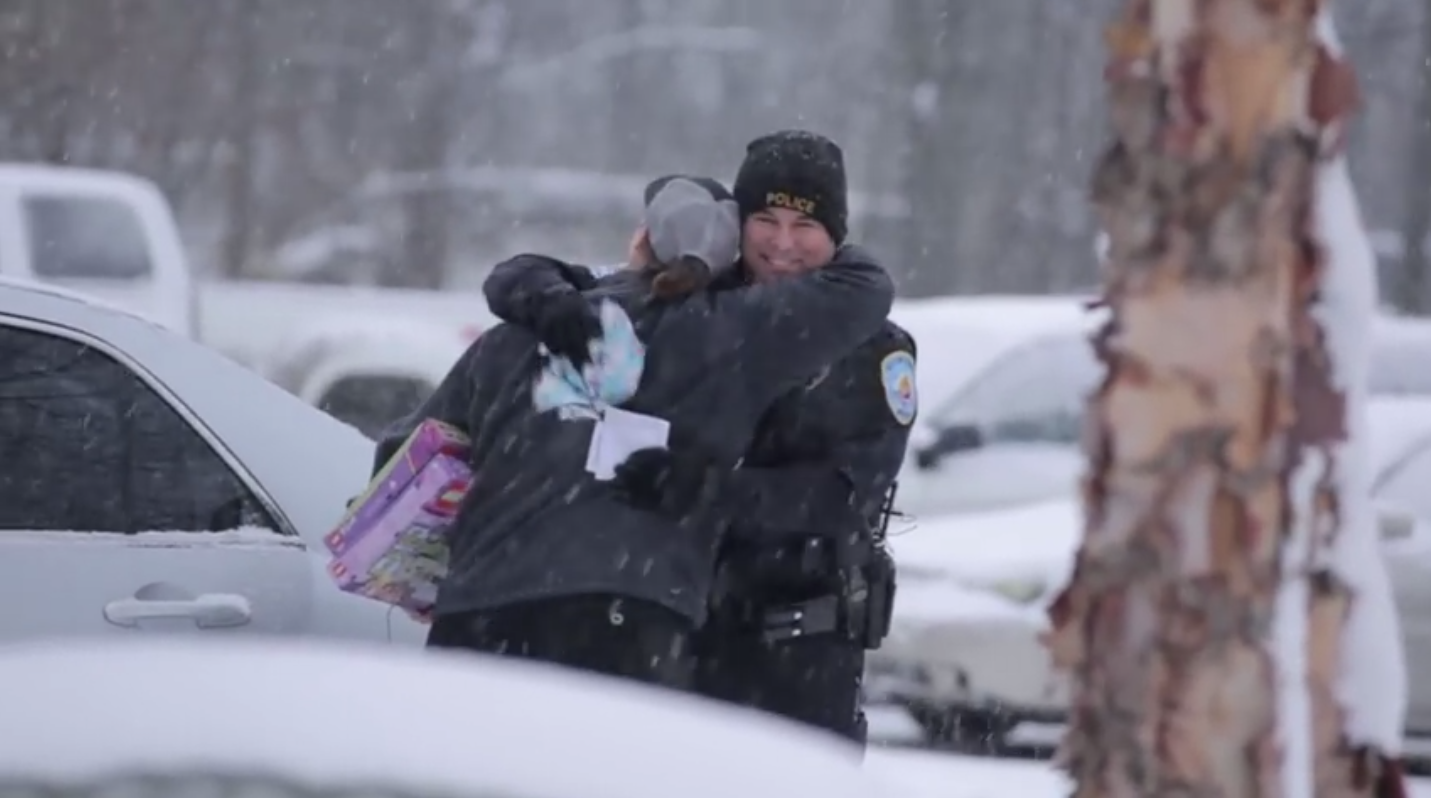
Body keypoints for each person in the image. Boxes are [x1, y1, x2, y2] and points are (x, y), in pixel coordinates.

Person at [373, 174, 895, 691]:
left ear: (641, 238)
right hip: (630, 619)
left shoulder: (515, 334)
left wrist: (534, 281)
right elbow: (867, 287)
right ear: (726, 260)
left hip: (477, 612)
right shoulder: (732, 336)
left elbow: (401, 459)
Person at [481, 130, 914, 747]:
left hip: (799, 651)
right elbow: (521, 274)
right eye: (766, 218)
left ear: (837, 236)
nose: (783, 243)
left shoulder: (873, 348)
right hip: (674, 633)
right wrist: (548, 301)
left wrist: (710, 488)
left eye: (805, 225)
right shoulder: (694, 301)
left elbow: (847, 497)